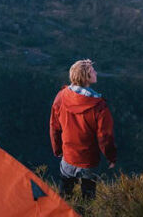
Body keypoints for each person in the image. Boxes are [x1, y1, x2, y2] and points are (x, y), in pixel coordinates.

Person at [49, 59, 117, 200]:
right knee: (89, 197)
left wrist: (57, 150)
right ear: (85, 77)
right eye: (92, 71)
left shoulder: (61, 97)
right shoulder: (99, 106)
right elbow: (105, 137)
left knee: (64, 196)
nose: (96, 73)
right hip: (89, 160)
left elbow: (54, 127)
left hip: (68, 155)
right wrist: (111, 157)